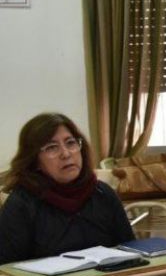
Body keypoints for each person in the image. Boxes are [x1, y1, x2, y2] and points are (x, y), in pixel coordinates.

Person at [0, 113, 134, 265]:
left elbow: (130, 249)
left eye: (70, 143)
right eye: (51, 147)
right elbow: (6, 270)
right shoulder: (22, 203)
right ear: (35, 160)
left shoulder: (102, 193)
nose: (66, 154)